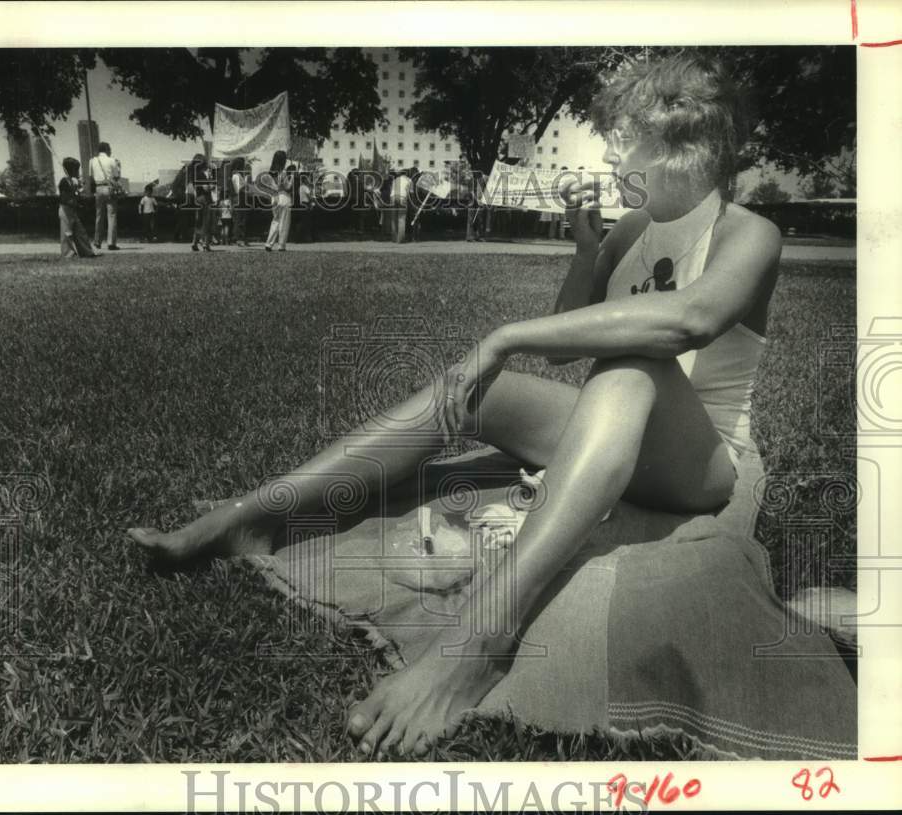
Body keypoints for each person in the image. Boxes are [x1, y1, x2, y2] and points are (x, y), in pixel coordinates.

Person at [128, 54, 780, 757]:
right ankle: (253, 517)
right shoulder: (629, 230)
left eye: (628, 139)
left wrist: (504, 335)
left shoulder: (748, 231)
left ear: (684, 147)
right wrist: (589, 248)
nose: (615, 153)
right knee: (482, 392)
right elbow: (566, 349)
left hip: (702, 461)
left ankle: (478, 644)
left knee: (631, 362)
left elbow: (686, 322)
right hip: (619, 425)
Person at [58, 157, 98, 259]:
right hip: (65, 210)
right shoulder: (64, 181)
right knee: (67, 233)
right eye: (76, 170)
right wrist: (73, 197)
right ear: (71, 170)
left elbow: (76, 195)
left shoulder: (73, 181)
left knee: (80, 231)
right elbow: (64, 197)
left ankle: (87, 252)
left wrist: (78, 191)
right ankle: (68, 254)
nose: (78, 172)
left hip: (72, 210)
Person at [89, 142, 122, 250]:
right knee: (111, 215)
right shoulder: (112, 160)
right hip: (109, 188)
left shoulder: (92, 161)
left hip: (98, 188)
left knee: (99, 215)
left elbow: (91, 178)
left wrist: (92, 191)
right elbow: (116, 177)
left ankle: (97, 241)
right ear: (107, 149)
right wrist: (119, 168)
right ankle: (111, 243)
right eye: (110, 149)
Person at [264, 151, 293, 252]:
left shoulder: (269, 173)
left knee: (275, 221)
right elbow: (288, 187)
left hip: (274, 198)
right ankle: (281, 245)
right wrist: (292, 177)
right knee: (284, 223)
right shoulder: (283, 173)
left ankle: (269, 244)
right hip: (284, 197)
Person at [460, 153, 485, 242]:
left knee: (479, 219)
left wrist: (482, 200)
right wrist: (477, 199)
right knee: (471, 219)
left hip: (479, 202)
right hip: (472, 201)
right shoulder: (471, 180)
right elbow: (471, 191)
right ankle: (470, 236)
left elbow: (484, 191)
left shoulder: (482, 181)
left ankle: (479, 236)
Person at [229, 157, 250, 247]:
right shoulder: (237, 176)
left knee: (241, 219)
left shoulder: (238, 175)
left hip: (240, 198)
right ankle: (238, 238)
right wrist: (246, 183)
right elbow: (238, 189)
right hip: (239, 199)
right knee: (239, 219)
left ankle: (242, 238)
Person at [391, 167, 412, 243]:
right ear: (407, 173)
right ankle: (400, 239)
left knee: (394, 218)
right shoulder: (409, 180)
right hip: (402, 197)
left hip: (393, 197)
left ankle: (394, 238)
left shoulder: (395, 180)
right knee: (401, 218)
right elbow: (411, 192)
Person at [191, 184, 213, 252]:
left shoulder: (198, 198)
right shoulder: (208, 198)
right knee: (206, 229)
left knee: (197, 229)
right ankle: (205, 245)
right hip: (205, 215)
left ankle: (194, 244)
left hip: (198, 215)